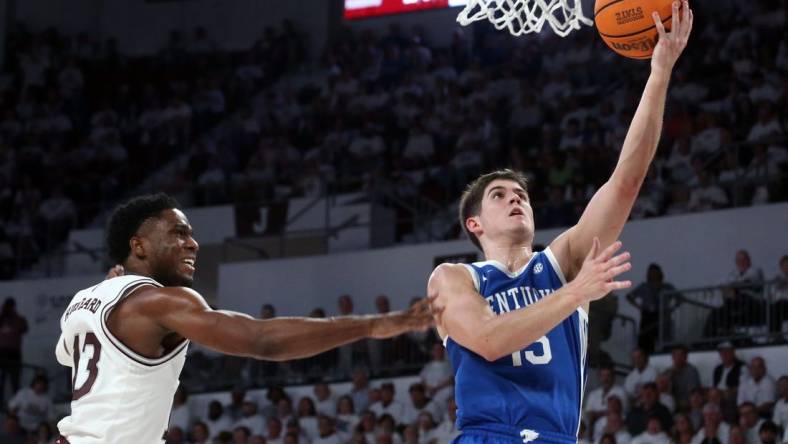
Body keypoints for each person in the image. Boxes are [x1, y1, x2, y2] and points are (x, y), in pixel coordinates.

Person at [427, 4, 693, 442]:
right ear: (474, 224)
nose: (516, 198)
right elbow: (489, 340)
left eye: (521, 195)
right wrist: (575, 293)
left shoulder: (564, 261)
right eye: (500, 195)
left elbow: (625, 183)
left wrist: (659, 73)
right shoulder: (454, 279)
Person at [54, 194, 434, 444]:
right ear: (138, 245)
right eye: (179, 233)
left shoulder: (83, 300)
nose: (193, 243)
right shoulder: (161, 302)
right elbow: (261, 339)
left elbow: (69, 358)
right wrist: (372, 325)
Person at [626, 264, 679, 352]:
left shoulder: (666, 286)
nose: (653, 274)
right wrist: (639, 306)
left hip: (662, 315)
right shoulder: (644, 286)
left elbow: (679, 298)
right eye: (651, 272)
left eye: (655, 272)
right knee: (646, 339)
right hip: (648, 315)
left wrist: (671, 308)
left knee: (664, 337)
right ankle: (645, 355)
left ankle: (664, 352)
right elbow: (629, 296)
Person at [0, 297, 28, 399]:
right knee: (2, 379)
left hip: (14, 352)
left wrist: (14, 316)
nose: (10, 309)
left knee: (15, 379)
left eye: (11, 306)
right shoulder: (1, 319)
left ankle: (17, 401)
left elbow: (24, 328)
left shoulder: (18, 319)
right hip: (2, 352)